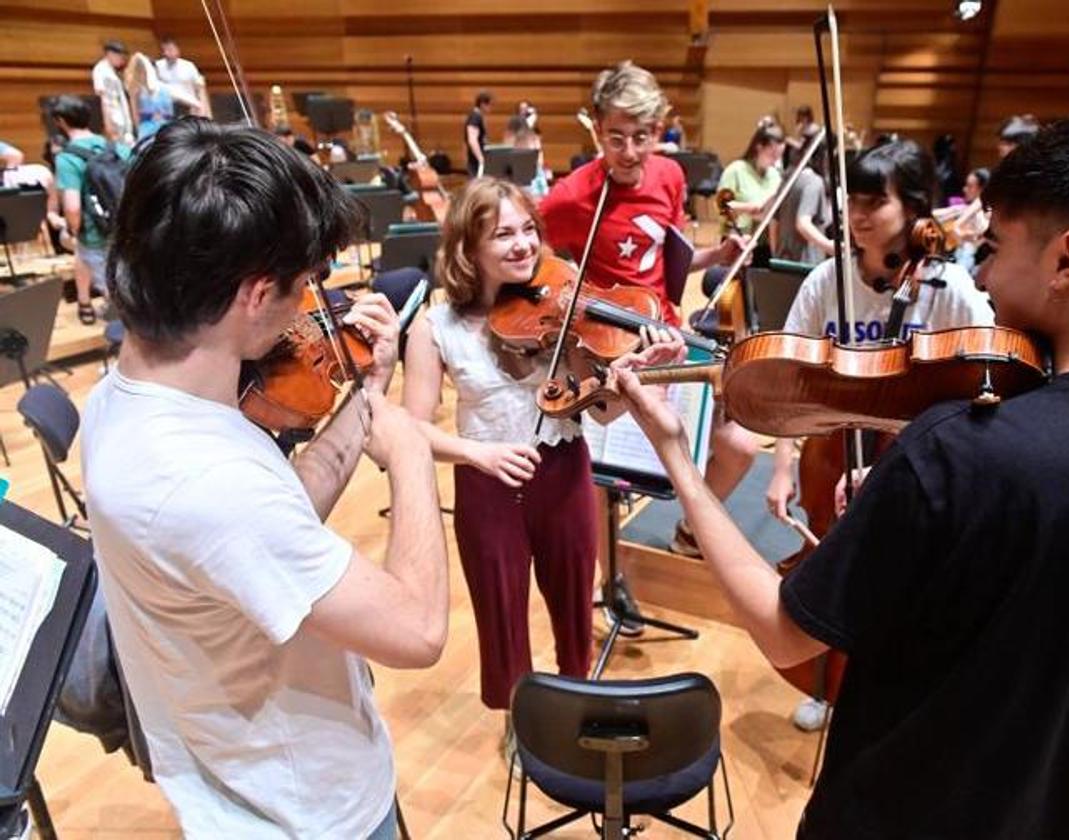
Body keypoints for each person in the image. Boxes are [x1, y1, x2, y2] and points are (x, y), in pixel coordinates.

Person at [614, 100, 1069, 840]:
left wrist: (676, 457)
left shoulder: (961, 449)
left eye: (995, 249)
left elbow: (785, 632)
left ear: (1066, 260)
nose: (979, 275)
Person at [82, 117, 450, 839]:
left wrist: (368, 395)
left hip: (248, 778)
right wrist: (409, 454)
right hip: (305, 812)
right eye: (305, 282)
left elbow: (273, 521)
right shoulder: (204, 481)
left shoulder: (120, 400)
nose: (312, 304)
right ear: (254, 295)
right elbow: (419, 630)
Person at [402, 176, 679, 761]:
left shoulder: (563, 307)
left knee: (574, 600)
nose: (524, 245)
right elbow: (410, 430)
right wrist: (479, 453)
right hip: (487, 483)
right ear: (466, 247)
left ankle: (576, 701)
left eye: (529, 229)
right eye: (503, 234)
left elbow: (600, 414)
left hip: (562, 471)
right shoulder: (436, 327)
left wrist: (635, 373)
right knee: (499, 608)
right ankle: (520, 718)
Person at [766, 137, 994, 731]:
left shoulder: (952, 291)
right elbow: (795, 379)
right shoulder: (826, 280)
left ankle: (889, 692)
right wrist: (783, 465)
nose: (858, 216)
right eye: (853, 202)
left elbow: (986, 386)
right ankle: (826, 682)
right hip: (830, 447)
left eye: (875, 202)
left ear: (915, 208)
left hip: (917, 459)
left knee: (907, 579)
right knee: (829, 564)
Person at [538, 60, 758, 567]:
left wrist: (716, 256)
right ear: (596, 130)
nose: (631, 152)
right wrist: (567, 305)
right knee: (600, 472)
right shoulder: (572, 196)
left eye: (642, 136)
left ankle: (688, 527)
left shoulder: (670, 175)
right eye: (616, 138)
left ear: (659, 128)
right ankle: (604, 578)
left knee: (741, 445)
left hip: (667, 335)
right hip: (607, 349)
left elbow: (664, 256)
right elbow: (535, 262)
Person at [50, 95, 132, 324]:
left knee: (118, 300)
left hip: (96, 236)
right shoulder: (118, 149)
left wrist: (72, 232)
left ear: (61, 121)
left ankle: (117, 330)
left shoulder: (67, 158)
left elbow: (73, 208)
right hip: (127, 231)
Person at [717, 122, 786, 238]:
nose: (776, 161)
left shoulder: (775, 175)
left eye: (779, 156)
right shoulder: (736, 170)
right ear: (759, 148)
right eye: (772, 155)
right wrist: (749, 209)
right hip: (737, 239)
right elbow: (721, 206)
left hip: (766, 241)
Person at [775, 151, 833, 266]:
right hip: (806, 261)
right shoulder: (813, 182)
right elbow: (802, 223)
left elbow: (774, 222)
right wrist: (829, 246)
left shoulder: (787, 179)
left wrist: (775, 253)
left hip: (782, 258)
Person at [124, 52, 198, 140]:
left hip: (166, 129)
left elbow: (194, 103)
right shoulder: (137, 90)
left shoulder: (165, 88)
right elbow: (135, 116)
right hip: (147, 131)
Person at [154, 35, 209, 117]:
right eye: (164, 50)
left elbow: (199, 88)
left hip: (187, 105)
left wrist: (203, 109)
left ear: (177, 50)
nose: (166, 53)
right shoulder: (158, 66)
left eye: (170, 50)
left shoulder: (188, 66)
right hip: (168, 106)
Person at [92, 39, 134, 145]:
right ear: (110, 54)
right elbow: (101, 97)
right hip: (112, 117)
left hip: (121, 115)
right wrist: (108, 122)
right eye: (120, 56)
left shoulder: (112, 71)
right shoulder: (100, 70)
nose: (122, 60)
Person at [464, 89, 492, 177]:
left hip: (476, 160)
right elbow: (472, 140)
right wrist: (481, 159)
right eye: (490, 105)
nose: (491, 108)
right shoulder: (475, 117)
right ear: (483, 104)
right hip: (475, 162)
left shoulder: (477, 116)